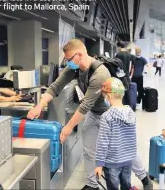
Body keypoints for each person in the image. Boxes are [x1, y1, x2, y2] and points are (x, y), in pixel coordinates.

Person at [27, 39, 153, 190]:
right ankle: (92, 184)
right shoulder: (74, 68)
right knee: (89, 150)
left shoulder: (100, 73)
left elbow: (85, 106)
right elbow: (55, 87)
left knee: (124, 150)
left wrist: (67, 128)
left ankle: (144, 178)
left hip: (111, 115)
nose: (67, 63)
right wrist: (39, 105)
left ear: (79, 55)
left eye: (69, 59)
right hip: (94, 113)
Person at [95, 77, 137, 190]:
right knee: (126, 186)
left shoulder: (107, 117)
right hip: (127, 161)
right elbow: (132, 139)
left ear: (109, 97)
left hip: (112, 162)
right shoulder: (131, 113)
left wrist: (99, 164)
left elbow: (103, 142)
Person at [115, 41, 135, 106]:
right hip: (127, 76)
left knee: (120, 92)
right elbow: (132, 66)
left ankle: (121, 105)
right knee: (128, 92)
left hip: (120, 76)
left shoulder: (118, 55)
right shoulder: (130, 55)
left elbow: (116, 66)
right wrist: (130, 75)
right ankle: (129, 106)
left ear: (119, 47)